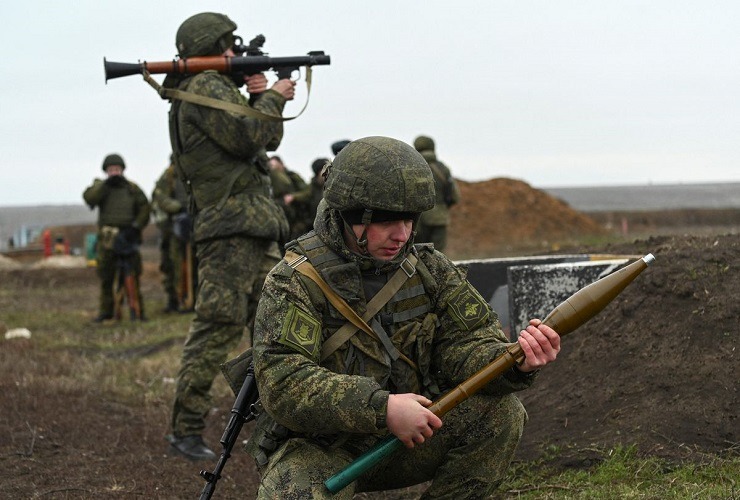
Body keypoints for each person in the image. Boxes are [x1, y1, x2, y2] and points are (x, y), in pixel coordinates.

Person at [245, 136, 560, 498]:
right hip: (323, 449)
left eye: (409, 220)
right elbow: (285, 382)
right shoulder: (294, 280)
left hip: (412, 435)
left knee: (501, 415)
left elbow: (465, 346)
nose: (403, 234)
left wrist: (512, 362)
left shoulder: (430, 269)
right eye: (387, 222)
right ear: (349, 215)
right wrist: (382, 408)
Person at [163, 11, 295, 461]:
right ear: (214, 46)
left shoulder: (208, 88)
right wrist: (273, 97)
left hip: (249, 229)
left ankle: (285, 419)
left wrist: (259, 95)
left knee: (277, 331)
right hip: (231, 232)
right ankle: (185, 430)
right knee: (217, 328)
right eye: (228, 47)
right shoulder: (202, 86)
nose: (233, 54)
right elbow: (253, 135)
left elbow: (257, 137)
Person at [83, 153, 151, 322]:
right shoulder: (101, 188)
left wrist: (136, 227)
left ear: (122, 170)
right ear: (106, 171)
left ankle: (137, 311)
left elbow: (145, 208)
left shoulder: (132, 188)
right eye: (111, 170)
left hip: (128, 237)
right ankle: (107, 311)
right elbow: (89, 198)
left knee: (132, 275)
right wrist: (104, 185)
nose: (115, 172)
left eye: (117, 169)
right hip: (108, 239)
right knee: (106, 276)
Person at [151, 156, 195, 313]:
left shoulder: (197, 170)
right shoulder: (169, 175)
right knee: (172, 264)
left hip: (195, 224)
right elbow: (160, 196)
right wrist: (178, 208)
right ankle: (175, 300)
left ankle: (193, 299)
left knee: (195, 264)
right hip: (173, 228)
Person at [412, 135, 460, 252]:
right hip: (439, 218)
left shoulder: (411, 168)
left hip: (416, 220)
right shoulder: (443, 169)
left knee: (414, 254)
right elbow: (455, 197)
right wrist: (441, 208)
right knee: (437, 256)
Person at [268, 155, 309, 241]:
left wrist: (294, 197)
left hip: (297, 216)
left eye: (274, 166)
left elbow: (307, 192)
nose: (274, 170)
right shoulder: (269, 179)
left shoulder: (292, 177)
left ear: (281, 164)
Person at [285, 157, 329, 234]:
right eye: (325, 169)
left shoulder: (332, 184)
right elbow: (306, 194)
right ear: (318, 172)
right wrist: (293, 197)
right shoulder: (312, 187)